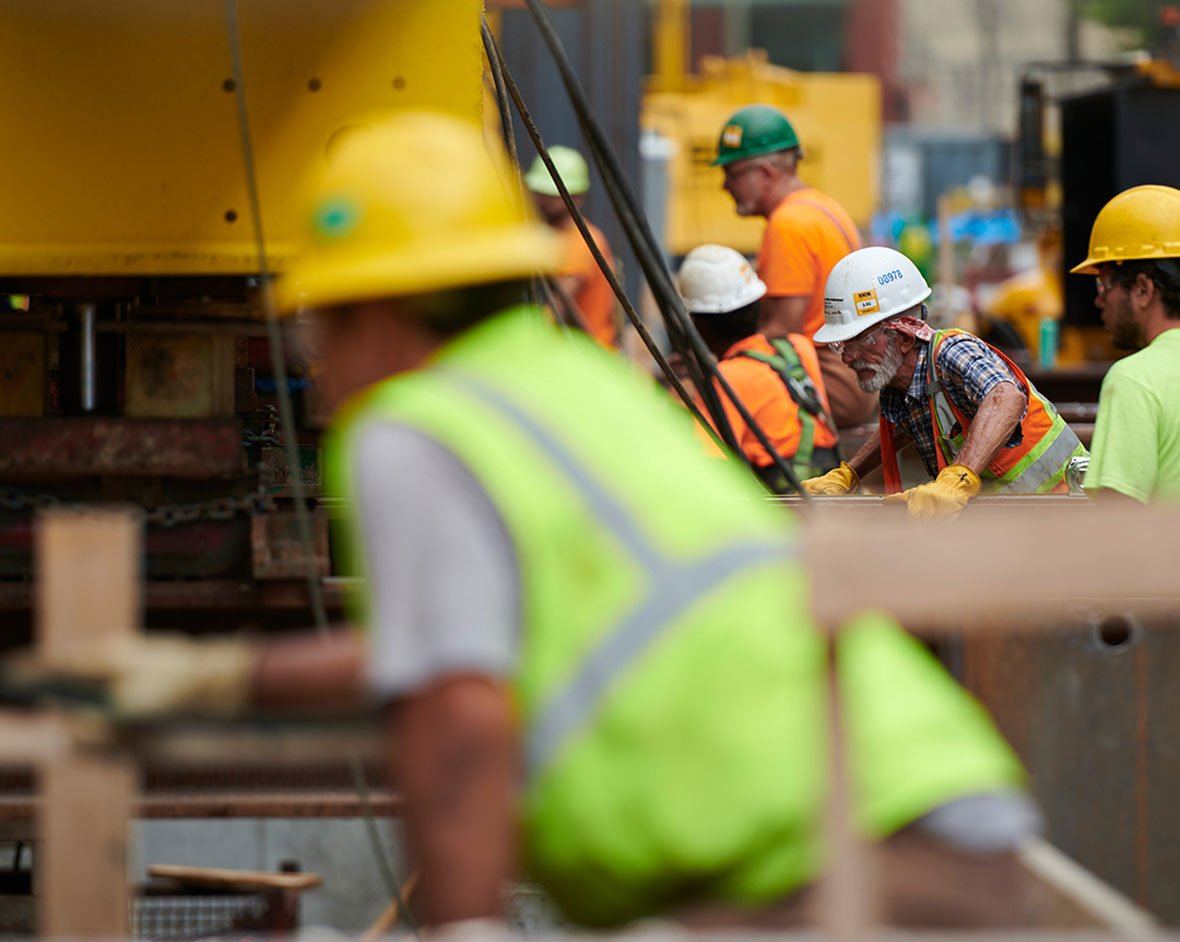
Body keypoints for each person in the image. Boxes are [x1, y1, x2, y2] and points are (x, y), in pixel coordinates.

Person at [24, 112, 1038, 932]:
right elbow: (479, 641)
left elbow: (455, 711)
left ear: (379, 312)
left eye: (320, 321)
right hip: (911, 812)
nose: (317, 358)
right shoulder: (565, 383)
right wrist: (219, 679)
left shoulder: (415, 431)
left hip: (830, 862)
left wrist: (464, 928)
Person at [803, 246, 1086, 518]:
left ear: (903, 338)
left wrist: (958, 478)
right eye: (841, 345)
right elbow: (901, 428)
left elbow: (1006, 397)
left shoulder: (952, 352)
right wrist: (848, 476)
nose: (848, 357)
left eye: (860, 340)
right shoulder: (901, 386)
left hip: (1066, 510)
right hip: (1017, 525)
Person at [714, 104, 876, 428]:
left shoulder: (789, 224)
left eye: (732, 174)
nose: (725, 186)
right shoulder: (820, 207)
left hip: (831, 383)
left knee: (702, 391)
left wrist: (719, 361)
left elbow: (782, 332)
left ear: (765, 173)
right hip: (855, 378)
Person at [677, 243, 840, 489]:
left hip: (778, 501)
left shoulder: (724, 379)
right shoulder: (798, 348)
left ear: (699, 324)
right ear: (757, 305)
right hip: (828, 486)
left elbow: (709, 466)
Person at [1071, 185, 1180, 505]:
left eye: (1103, 283)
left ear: (1144, 288)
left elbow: (1119, 522)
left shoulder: (1135, 379)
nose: (1098, 299)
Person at [523, 145, 619, 349]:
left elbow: (556, 307)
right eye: (539, 192)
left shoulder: (580, 242)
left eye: (551, 194)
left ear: (576, 197)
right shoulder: (550, 236)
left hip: (590, 359)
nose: (543, 200)